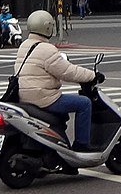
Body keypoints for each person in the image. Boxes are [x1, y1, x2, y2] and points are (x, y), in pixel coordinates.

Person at [15, 9, 100, 155]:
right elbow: (67, 72)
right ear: (47, 27)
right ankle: (82, 145)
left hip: (24, 97)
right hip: (44, 98)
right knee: (84, 103)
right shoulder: (47, 49)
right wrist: (92, 76)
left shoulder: (24, 45)